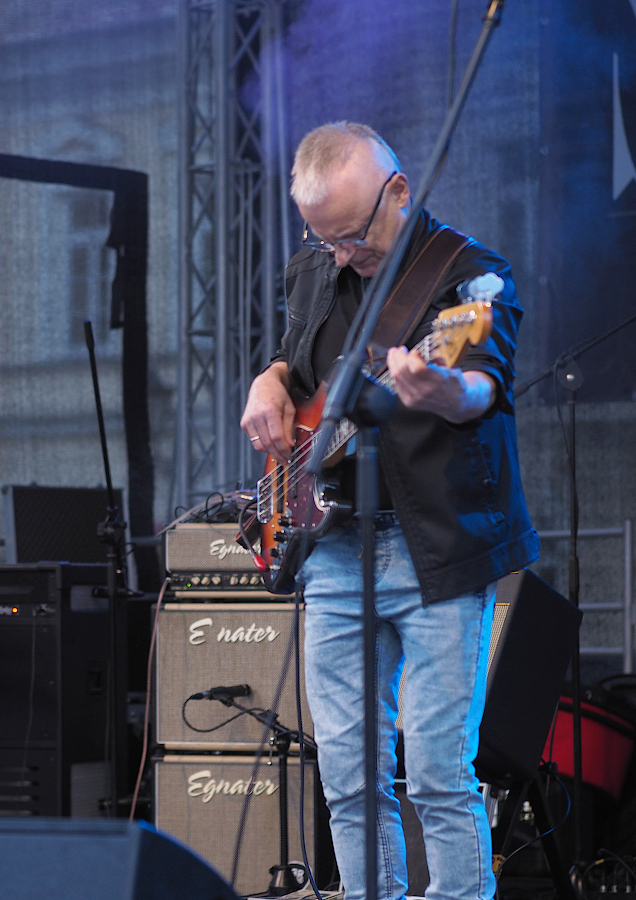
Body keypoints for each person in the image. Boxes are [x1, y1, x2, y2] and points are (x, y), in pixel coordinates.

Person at [240, 121, 539, 900]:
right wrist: (267, 382)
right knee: (346, 776)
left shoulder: (472, 276)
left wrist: (443, 390)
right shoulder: (316, 266)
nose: (339, 256)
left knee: (439, 774)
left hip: (437, 547)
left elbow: (480, 388)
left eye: (351, 237)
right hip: (333, 546)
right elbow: (296, 361)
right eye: (323, 238)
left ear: (398, 192)